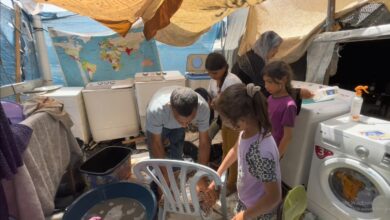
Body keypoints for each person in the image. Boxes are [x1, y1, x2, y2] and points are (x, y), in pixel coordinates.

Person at [208, 83, 281, 220]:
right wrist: (218, 174)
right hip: (246, 202)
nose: (223, 123)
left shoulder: (261, 153)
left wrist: (244, 215)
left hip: (259, 212)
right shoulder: (247, 131)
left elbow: (274, 197)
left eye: (225, 120)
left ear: (241, 120)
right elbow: (236, 150)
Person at [145, 86, 216, 202]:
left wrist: (201, 175)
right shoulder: (156, 110)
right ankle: (158, 187)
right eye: (181, 121)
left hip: (173, 119)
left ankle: (174, 180)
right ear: (170, 106)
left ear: (196, 108)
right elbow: (156, 143)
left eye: (189, 121)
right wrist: (164, 178)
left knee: (177, 155)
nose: (184, 126)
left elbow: (204, 142)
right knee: (156, 161)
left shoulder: (203, 108)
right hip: (160, 121)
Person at [231, 30, 313, 113]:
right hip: (240, 106)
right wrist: (298, 93)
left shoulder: (252, 56)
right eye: (275, 48)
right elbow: (265, 91)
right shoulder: (256, 62)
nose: (276, 51)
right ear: (267, 47)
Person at [205, 52, 242, 193]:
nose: (212, 76)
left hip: (235, 123)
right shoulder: (214, 80)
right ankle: (227, 177)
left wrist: (218, 104)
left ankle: (232, 184)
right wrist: (210, 103)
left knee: (234, 154)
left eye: (215, 72)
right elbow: (210, 95)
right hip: (224, 121)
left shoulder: (232, 81)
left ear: (225, 67)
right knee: (226, 151)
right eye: (209, 73)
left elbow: (237, 105)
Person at [263, 60, 297, 159]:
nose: (266, 86)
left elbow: (287, 136)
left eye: (269, 82)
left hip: (272, 152)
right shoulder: (270, 98)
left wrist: (276, 157)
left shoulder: (289, 106)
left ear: (284, 79)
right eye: (265, 81)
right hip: (262, 145)